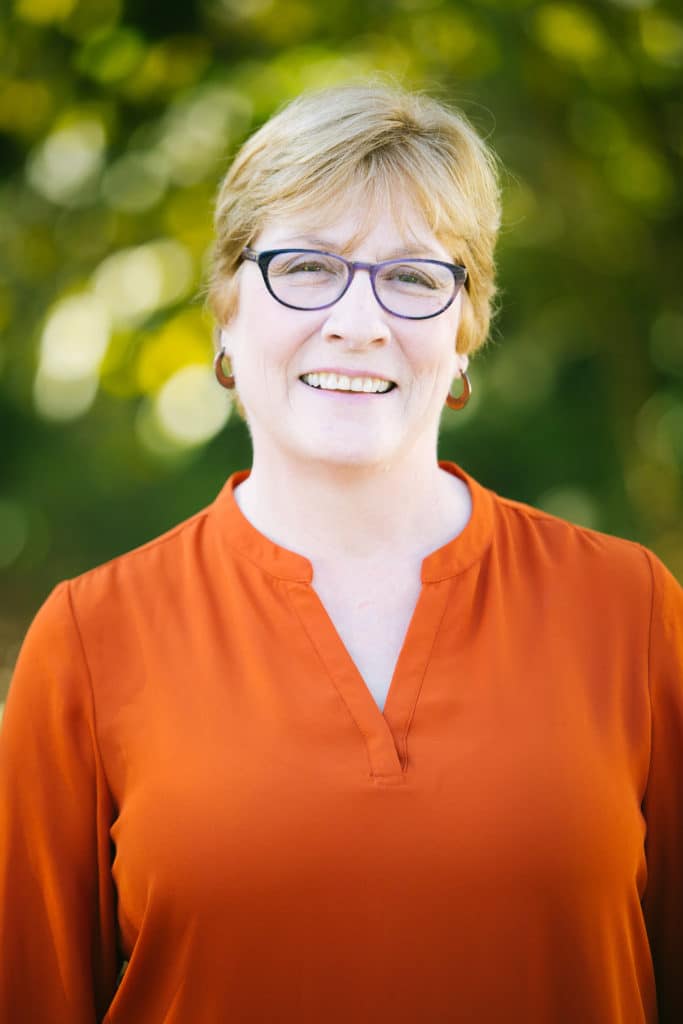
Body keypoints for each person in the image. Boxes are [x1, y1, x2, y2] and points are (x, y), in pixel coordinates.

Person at [0, 82, 682, 1024]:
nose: (358, 321)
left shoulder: (630, 610)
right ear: (229, 313)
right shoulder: (86, 638)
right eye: (307, 267)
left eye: (411, 277)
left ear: (464, 331)